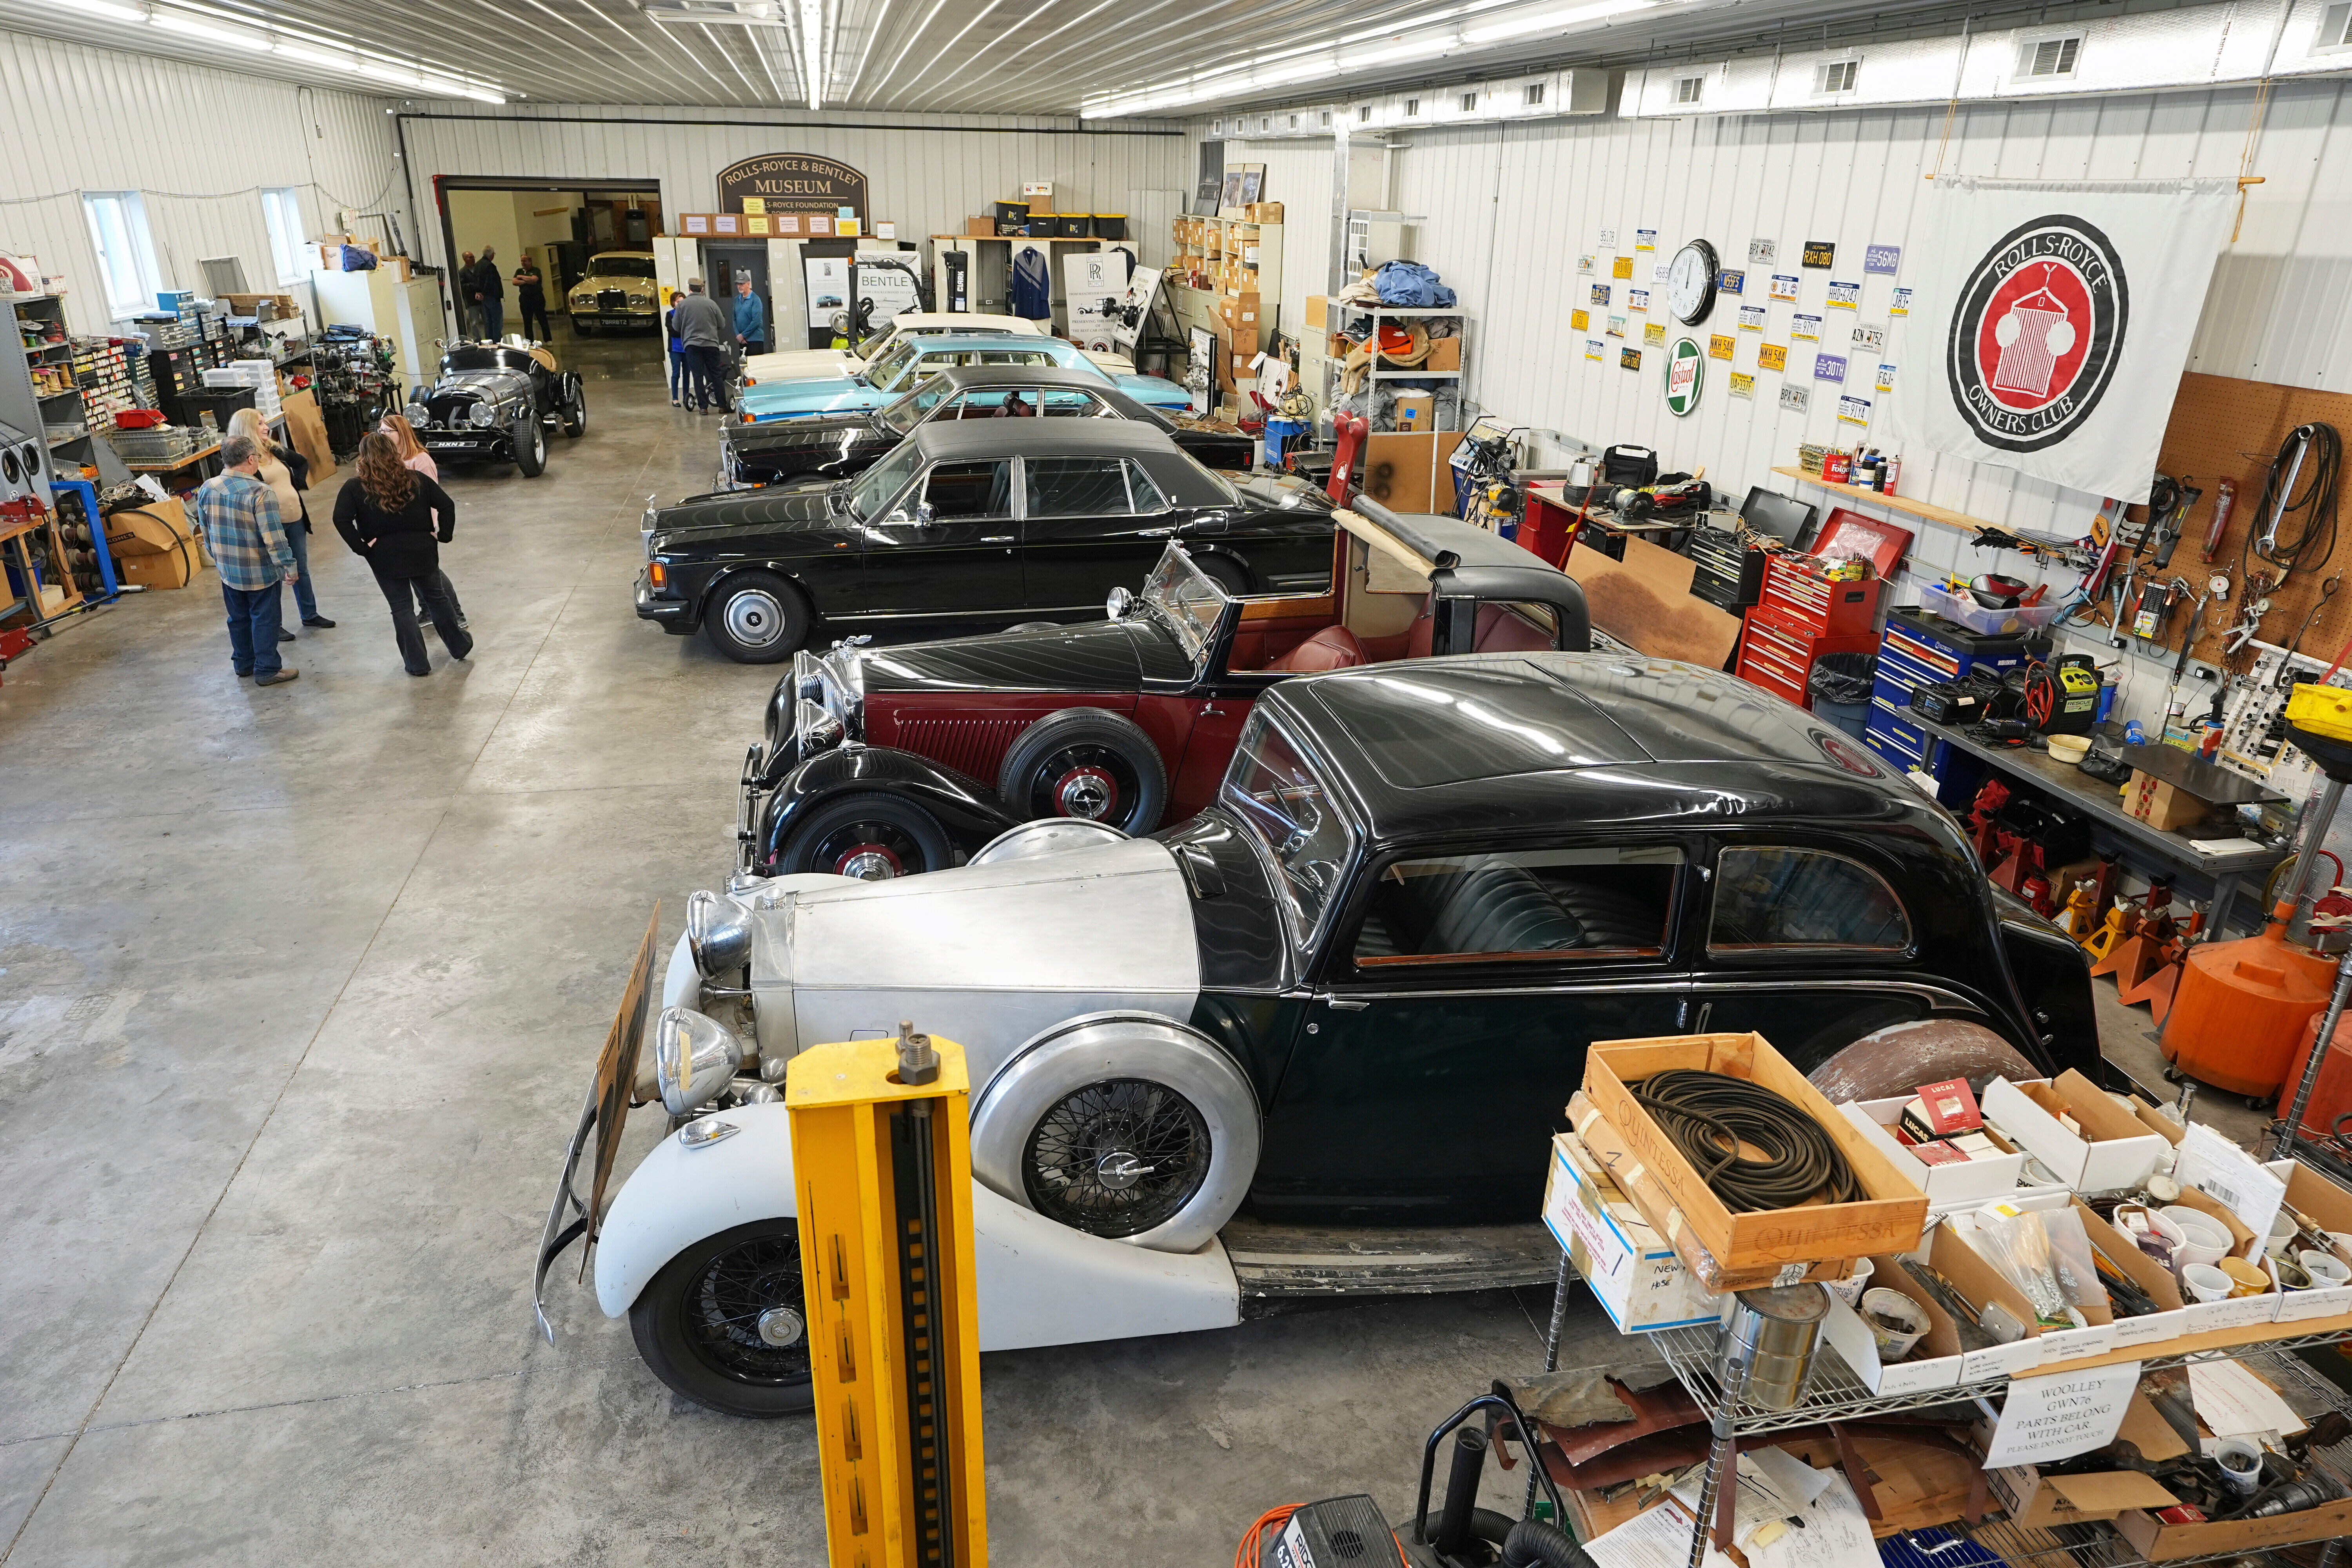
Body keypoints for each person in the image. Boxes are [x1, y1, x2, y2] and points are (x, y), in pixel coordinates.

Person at [333, 431, 471, 676]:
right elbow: (446, 504)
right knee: (437, 599)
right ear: (393, 452)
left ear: (364, 457)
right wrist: (444, 535)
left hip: (384, 555)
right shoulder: (415, 479)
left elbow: (341, 520)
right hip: (423, 550)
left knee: (401, 608)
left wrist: (363, 548)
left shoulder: (355, 487)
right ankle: (459, 646)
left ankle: (417, 664)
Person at [192, 434, 299, 686]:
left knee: (238, 619)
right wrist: (289, 567)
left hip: (228, 572)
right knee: (265, 619)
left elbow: (204, 530)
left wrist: (219, 560)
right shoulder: (260, 492)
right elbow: (274, 538)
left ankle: (244, 664)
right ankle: (268, 669)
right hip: (259, 573)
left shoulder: (208, 487)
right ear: (251, 459)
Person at [225, 408, 333, 633]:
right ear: (247, 428)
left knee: (300, 569)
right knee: (272, 578)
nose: (267, 428)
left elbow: (302, 462)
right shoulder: (245, 461)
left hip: (295, 519)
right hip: (270, 526)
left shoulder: (273, 450)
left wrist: (297, 484)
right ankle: (275, 626)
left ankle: (310, 614)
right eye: (261, 424)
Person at [378, 414, 469, 633]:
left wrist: (431, 526)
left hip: (421, 525)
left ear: (402, 434)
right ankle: (428, 610)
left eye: (388, 432)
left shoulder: (420, 460)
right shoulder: (388, 460)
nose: (383, 435)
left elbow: (431, 495)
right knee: (414, 570)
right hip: (400, 527)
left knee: (431, 572)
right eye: (380, 431)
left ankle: (456, 614)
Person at [672, 277, 734, 414]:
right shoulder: (711, 303)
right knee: (716, 374)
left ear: (689, 289)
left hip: (692, 345)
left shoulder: (682, 306)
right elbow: (722, 324)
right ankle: (722, 406)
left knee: (698, 375)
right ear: (702, 289)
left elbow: (676, 326)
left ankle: (703, 408)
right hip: (711, 345)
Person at [513, 255, 550, 341]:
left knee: (542, 319)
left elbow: (534, 280)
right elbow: (514, 282)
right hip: (524, 299)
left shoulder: (536, 270)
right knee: (527, 321)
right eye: (522, 261)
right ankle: (529, 341)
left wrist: (521, 277)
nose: (523, 263)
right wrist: (527, 281)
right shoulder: (519, 271)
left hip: (537, 298)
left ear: (530, 262)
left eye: (525, 261)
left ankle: (548, 339)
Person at [473, 245, 506, 341]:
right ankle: (497, 341)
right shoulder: (490, 266)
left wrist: (479, 292)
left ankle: (489, 341)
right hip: (492, 297)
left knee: (488, 322)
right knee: (497, 321)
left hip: (483, 299)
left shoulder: (478, 265)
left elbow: (476, 280)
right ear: (492, 255)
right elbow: (490, 282)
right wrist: (484, 292)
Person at [733, 275, 767, 358]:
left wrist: (743, 335)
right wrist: (738, 335)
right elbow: (734, 318)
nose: (739, 286)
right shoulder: (737, 299)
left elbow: (756, 320)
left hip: (755, 340)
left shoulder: (755, 299)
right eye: (738, 284)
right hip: (742, 340)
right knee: (744, 366)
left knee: (755, 366)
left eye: (742, 284)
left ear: (748, 284)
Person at [665, 296, 688, 408]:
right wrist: (685, 332)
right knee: (676, 373)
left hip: (687, 348)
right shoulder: (670, 315)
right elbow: (672, 331)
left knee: (687, 374)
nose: (680, 304)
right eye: (678, 302)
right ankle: (675, 398)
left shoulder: (688, 314)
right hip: (675, 349)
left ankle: (687, 397)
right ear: (674, 303)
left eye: (683, 302)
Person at [458, 251, 484, 338]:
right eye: (470, 257)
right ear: (465, 259)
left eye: (473, 257)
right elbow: (462, 286)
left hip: (483, 300)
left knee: (487, 321)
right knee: (474, 323)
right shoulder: (462, 272)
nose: (473, 259)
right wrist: (474, 286)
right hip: (472, 301)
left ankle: (490, 339)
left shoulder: (480, 269)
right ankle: (478, 340)